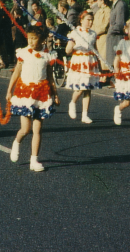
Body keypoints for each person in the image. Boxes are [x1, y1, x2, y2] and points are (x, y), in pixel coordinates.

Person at [6, 23, 60, 172]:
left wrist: (55, 94)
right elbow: (17, 72)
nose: (30, 41)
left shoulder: (47, 55)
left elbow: (50, 76)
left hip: (41, 93)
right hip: (25, 94)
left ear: (42, 40)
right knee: (26, 129)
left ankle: (34, 160)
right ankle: (17, 142)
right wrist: (9, 90)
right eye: (29, 38)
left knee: (38, 129)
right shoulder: (23, 53)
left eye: (34, 38)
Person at [64, 11, 101, 123]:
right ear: (81, 20)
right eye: (87, 20)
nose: (90, 22)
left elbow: (95, 49)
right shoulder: (75, 33)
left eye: (91, 20)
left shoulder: (93, 34)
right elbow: (68, 50)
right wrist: (73, 45)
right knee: (81, 87)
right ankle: (73, 102)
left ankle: (85, 114)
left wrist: (99, 64)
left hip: (90, 61)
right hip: (79, 61)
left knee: (88, 89)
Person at [106, 0, 127, 70]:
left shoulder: (120, 5)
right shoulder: (115, 5)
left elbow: (120, 24)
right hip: (112, 38)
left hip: (117, 38)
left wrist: (110, 30)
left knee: (116, 63)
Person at [93, 0, 110, 82]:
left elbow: (105, 25)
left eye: (98, 1)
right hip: (96, 37)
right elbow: (94, 24)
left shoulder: (108, 11)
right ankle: (101, 74)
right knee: (98, 56)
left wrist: (97, 32)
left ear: (102, 1)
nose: (97, 3)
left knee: (103, 56)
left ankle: (105, 75)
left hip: (103, 36)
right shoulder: (98, 12)